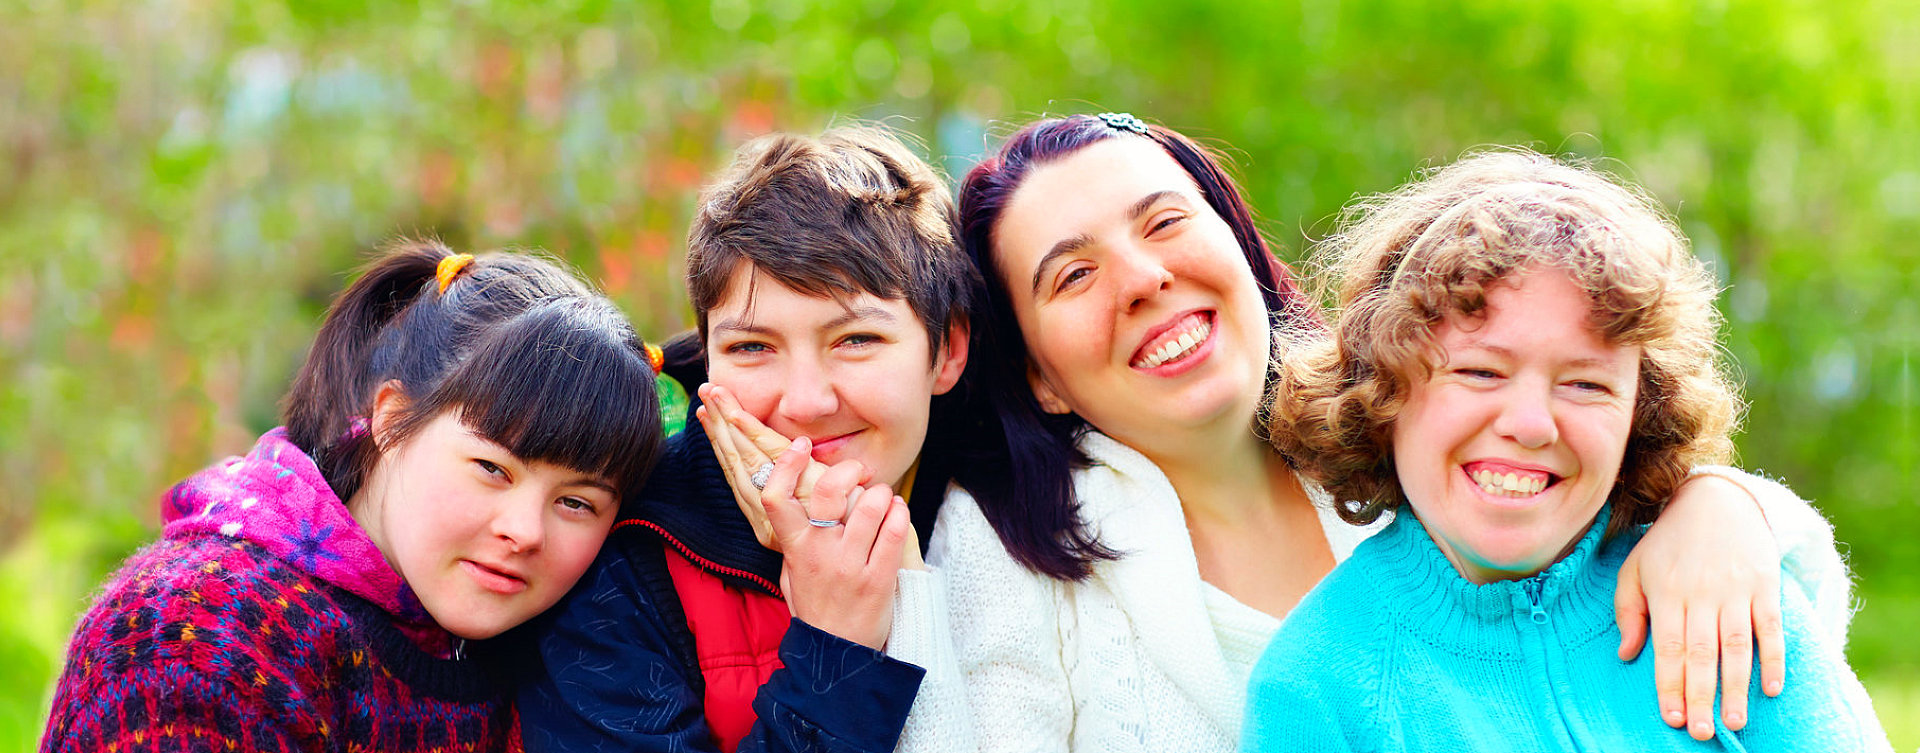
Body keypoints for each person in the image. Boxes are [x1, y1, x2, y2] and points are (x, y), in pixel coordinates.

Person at [901, 114, 1853, 751]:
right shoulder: (1007, 547)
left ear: (1236, 242)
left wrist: (1721, 503)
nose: (1144, 277)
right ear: (1039, 376)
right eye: (1072, 274)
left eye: (1165, 222)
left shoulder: (1409, 426)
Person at [1243, 149, 1889, 750]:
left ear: (1642, 409)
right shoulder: (1316, 687)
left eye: (1585, 383)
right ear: (1382, 387)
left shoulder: (1721, 599)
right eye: (1480, 372)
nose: (1531, 424)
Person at [40, 240, 665, 752]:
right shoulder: (201, 628)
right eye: (493, 469)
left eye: (577, 503)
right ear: (391, 419)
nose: (526, 531)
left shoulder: (558, 646)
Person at [516, 126, 976, 753]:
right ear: (707, 360)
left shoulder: (1027, 501)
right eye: (752, 347)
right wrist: (832, 649)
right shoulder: (620, 563)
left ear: (946, 349)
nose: (807, 402)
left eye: (856, 340)